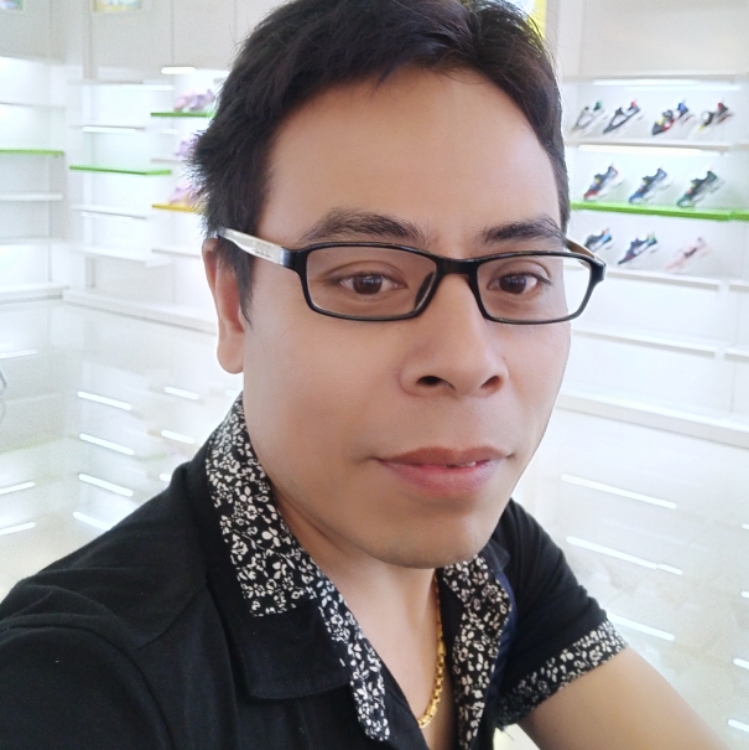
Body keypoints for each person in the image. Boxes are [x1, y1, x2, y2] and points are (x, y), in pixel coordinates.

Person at [0, 1, 728, 748]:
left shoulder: (491, 554)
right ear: (233, 303)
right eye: (368, 281)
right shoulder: (86, 680)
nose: (466, 361)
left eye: (516, 279)